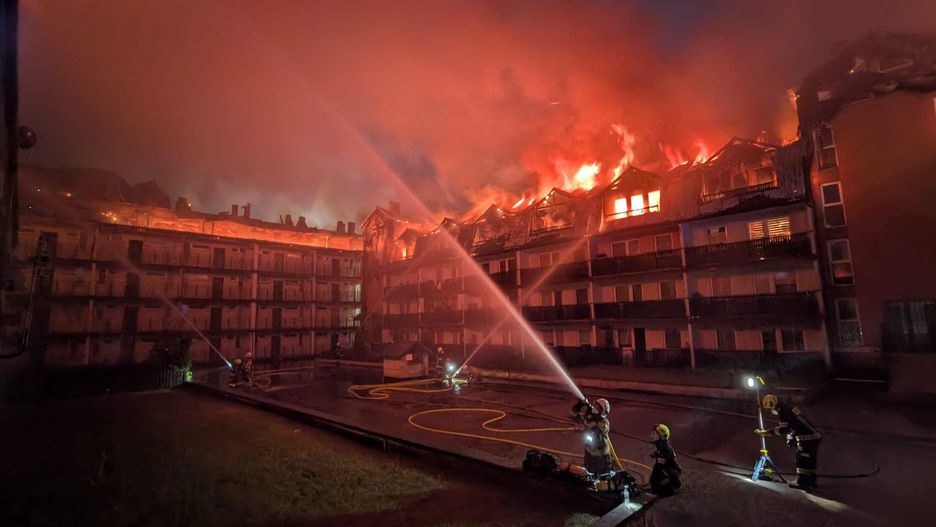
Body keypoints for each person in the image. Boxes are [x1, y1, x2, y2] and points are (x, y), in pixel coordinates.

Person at [758, 394, 821, 490]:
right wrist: (792, 438)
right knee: (810, 460)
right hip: (814, 435)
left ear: (772, 405)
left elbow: (784, 429)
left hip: (807, 437)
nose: (771, 411)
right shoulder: (788, 407)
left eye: (770, 409)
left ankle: (802, 482)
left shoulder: (783, 411)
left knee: (802, 460)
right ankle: (811, 481)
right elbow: (794, 425)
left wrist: (768, 432)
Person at [570, 398, 613, 476]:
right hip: (589, 453)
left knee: (604, 477)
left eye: (597, 407)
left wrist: (584, 428)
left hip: (601, 457)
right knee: (588, 475)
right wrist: (579, 405)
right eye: (594, 405)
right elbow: (573, 415)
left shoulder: (604, 422)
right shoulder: (589, 418)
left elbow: (597, 431)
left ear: (602, 411)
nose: (594, 408)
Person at [649, 423, 682, 496]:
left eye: (655, 434)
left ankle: (673, 483)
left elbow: (664, 461)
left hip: (673, 469)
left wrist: (658, 456)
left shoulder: (665, 447)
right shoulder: (660, 444)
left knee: (659, 485)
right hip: (667, 466)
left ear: (662, 436)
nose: (652, 435)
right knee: (654, 478)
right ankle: (671, 482)